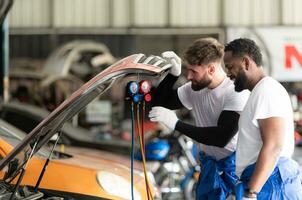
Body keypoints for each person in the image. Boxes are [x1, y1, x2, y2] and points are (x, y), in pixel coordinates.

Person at [149, 37, 249, 199]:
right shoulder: (195, 89)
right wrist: (172, 75)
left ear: (211, 69)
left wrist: (176, 124)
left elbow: (221, 137)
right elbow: (160, 102)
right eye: (187, 70)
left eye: (194, 71)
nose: (188, 76)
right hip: (210, 165)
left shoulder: (235, 92)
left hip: (234, 169)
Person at [224, 38, 302, 200]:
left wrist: (251, 192)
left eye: (230, 67)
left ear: (246, 62)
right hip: (265, 180)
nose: (228, 73)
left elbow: (273, 146)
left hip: (270, 183)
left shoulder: (267, 91)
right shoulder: (260, 92)